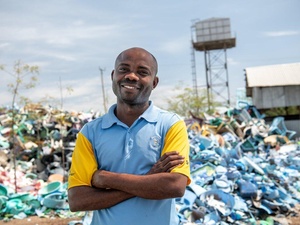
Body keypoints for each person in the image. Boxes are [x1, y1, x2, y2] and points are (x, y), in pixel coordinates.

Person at [68, 47, 191, 225]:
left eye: (142, 72)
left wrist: (106, 178)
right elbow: (78, 200)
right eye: (124, 69)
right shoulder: (90, 133)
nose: (131, 76)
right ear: (113, 75)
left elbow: (175, 186)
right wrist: (150, 178)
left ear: (154, 82)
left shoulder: (170, 125)